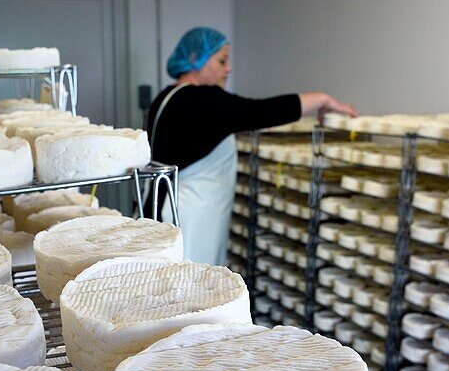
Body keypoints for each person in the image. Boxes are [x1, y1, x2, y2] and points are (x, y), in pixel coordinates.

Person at [147, 26, 356, 265]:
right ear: (196, 59)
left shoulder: (167, 96)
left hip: (162, 206)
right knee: (188, 286)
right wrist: (322, 99)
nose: (229, 68)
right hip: (190, 216)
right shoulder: (202, 100)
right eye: (222, 61)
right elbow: (261, 111)